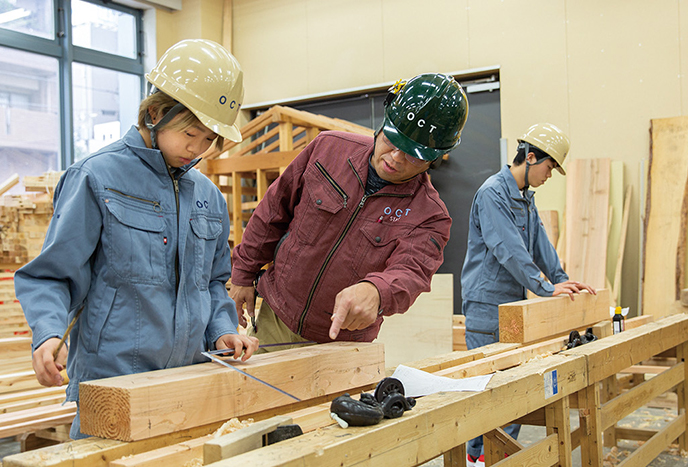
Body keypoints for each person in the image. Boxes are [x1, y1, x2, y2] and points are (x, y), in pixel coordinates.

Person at [14, 39, 259, 439]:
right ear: (155, 113)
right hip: (112, 390)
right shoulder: (96, 178)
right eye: (190, 132)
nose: (197, 149)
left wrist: (222, 330)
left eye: (210, 139)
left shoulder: (208, 196)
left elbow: (212, 282)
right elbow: (51, 276)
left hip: (188, 386)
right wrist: (48, 334)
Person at [229, 73, 469, 350]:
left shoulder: (430, 216)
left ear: (435, 158)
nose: (395, 158)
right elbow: (273, 210)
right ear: (382, 126)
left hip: (343, 343)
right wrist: (244, 273)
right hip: (277, 320)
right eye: (392, 140)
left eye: (412, 154)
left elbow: (411, 272)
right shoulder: (327, 149)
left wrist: (378, 291)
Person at [460, 122, 596, 467]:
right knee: (490, 392)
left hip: (511, 307)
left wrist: (565, 282)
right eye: (550, 167)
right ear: (531, 157)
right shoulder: (493, 193)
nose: (550, 175)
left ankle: (495, 457)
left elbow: (541, 248)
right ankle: (476, 458)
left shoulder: (525, 199)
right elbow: (509, 249)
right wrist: (547, 288)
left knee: (515, 393)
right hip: (487, 307)